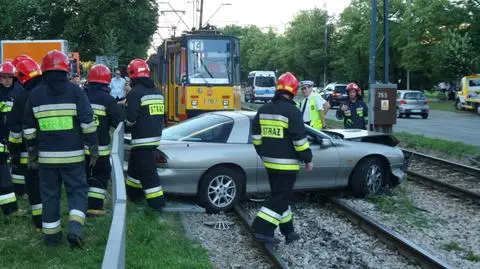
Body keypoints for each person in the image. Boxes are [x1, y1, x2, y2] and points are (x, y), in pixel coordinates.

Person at [23, 50, 99, 247]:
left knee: (49, 197)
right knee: (77, 193)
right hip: (73, 158)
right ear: (66, 70)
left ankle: (51, 237)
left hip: (46, 159)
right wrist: (93, 147)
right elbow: (87, 123)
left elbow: (29, 129)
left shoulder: (35, 94)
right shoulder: (76, 91)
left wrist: (32, 152)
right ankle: (75, 229)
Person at [251, 72, 313, 245]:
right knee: (280, 199)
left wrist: (264, 153)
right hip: (287, 166)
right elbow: (300, 141)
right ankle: (261, 229)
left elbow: (256, 137)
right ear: (293, 90)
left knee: (280, 196)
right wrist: (307, 158)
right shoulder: (292, 111)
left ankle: (289, 231)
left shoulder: (263, 110)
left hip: (269, 163)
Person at [7, 57, 44, 230]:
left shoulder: (22, 96)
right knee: (50, 186)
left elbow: (14, 127)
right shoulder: (47, 90)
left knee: (34, 185)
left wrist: (13, 148)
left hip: (29, 150)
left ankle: (39, 220)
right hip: (54, 149)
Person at [125, 59, 165, 212]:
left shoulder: (135, 93)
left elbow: (130, 120)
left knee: (149, 174)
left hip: (142, 140)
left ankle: (157, 206)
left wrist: (124, 115)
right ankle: (133, 196)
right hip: (154, 138)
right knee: (134, 169)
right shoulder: (157, 92)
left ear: (133, 74)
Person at [84, 64, 124, 216]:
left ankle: (80, 206)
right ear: (107, 81)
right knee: (100, 175)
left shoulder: (81, 95)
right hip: (100, 148)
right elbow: (118, 121)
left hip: (80, 147)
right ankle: (95, 207)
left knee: (83, 175)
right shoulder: (108, 100)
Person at [0, 61, 25, 218]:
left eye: (9, 77)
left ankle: (20, 193)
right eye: (3, 77)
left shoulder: (19, 92)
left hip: (16, 135)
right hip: (1, 138)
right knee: (4, 174)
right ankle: (11, 209)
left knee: (17, 166)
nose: (6, 80)